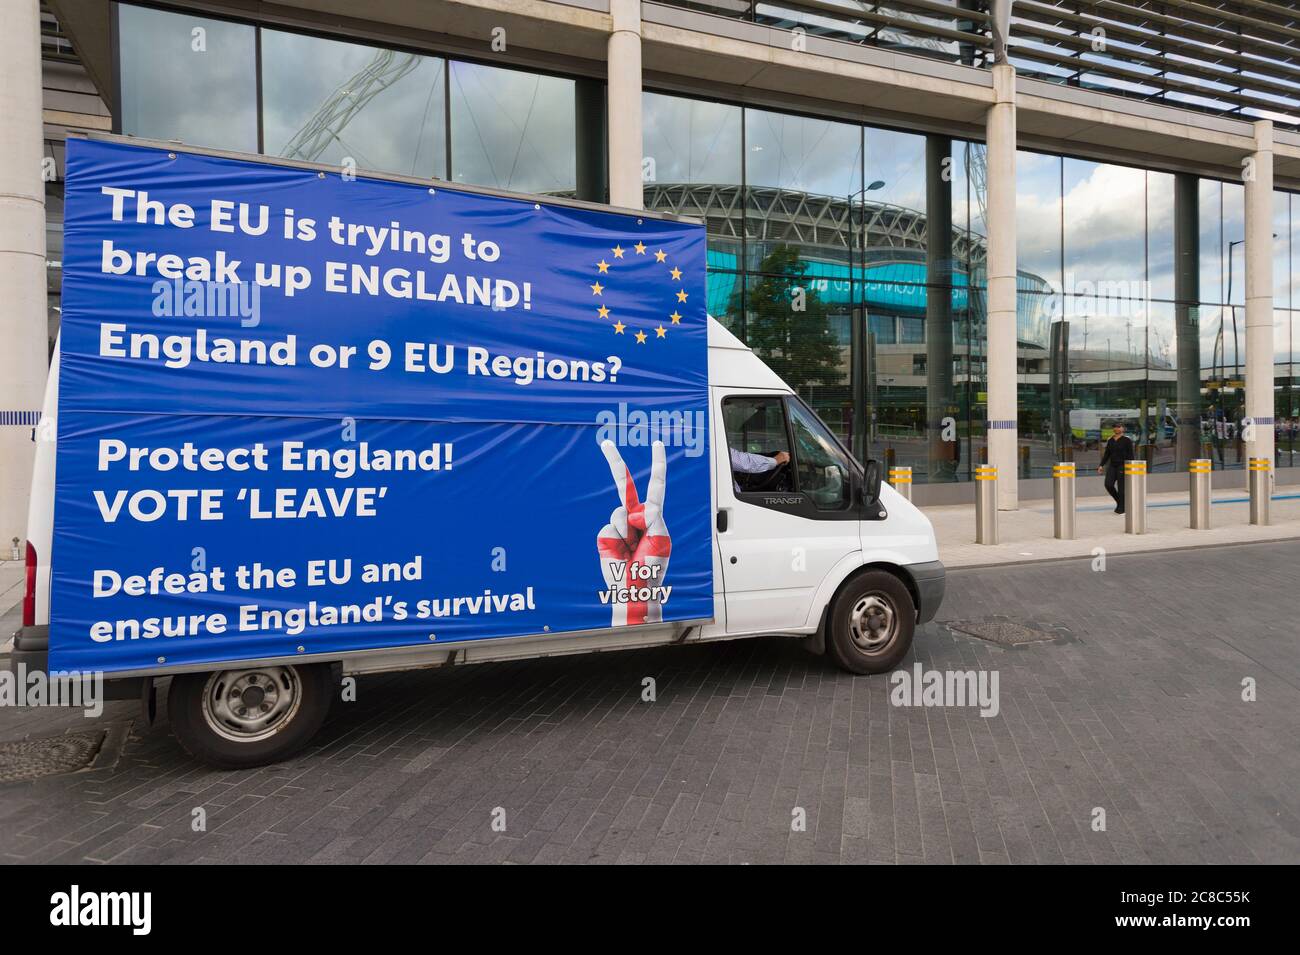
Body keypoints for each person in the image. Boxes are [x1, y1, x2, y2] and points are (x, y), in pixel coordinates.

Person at [1097, 422, 1136, 514]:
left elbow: (1131, 455)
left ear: (1123, 429)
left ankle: (1122, 507)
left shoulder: (1127, 440)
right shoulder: (1110, 440)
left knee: (1121, 488)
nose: (1116, 428)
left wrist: (1131, 467)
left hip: (1123, 466)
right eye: (1114, 427)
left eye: (1119, 427)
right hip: (1112, 465)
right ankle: (1120, 502)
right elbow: (1107, 454)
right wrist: (1101, 465)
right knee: (1108, 484)